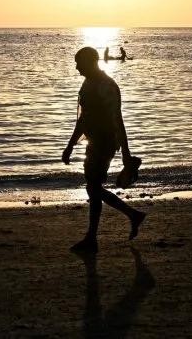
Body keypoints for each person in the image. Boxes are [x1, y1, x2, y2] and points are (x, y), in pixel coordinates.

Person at [62, 46, 146, 253]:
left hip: (105, 143)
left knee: (93, 187)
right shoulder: (88, 83)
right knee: (93, 187)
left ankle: (97, 235)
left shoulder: (106, 86)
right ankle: (127, 218)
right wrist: (70, 145)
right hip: (93, 142)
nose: (76, 68)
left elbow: (118, 121)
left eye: (79, 63)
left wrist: (126, 155)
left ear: (90, 62)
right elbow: (83, 119)